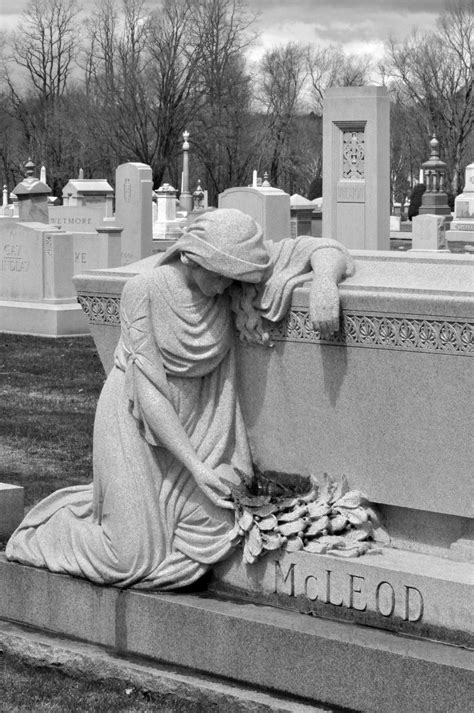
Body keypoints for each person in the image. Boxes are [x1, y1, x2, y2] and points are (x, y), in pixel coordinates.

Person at [6, 209, 354, 589]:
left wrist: (323, 281)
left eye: (232, 276)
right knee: (126, 558)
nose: (226, 286)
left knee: (220, 521)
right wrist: (197, 469)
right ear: (190, 256)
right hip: (136, 425)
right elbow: (150, 392)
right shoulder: (144, 290)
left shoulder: (230, 277)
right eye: (219, 273)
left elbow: (322, 248)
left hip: (204, 429)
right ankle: (47, 533)